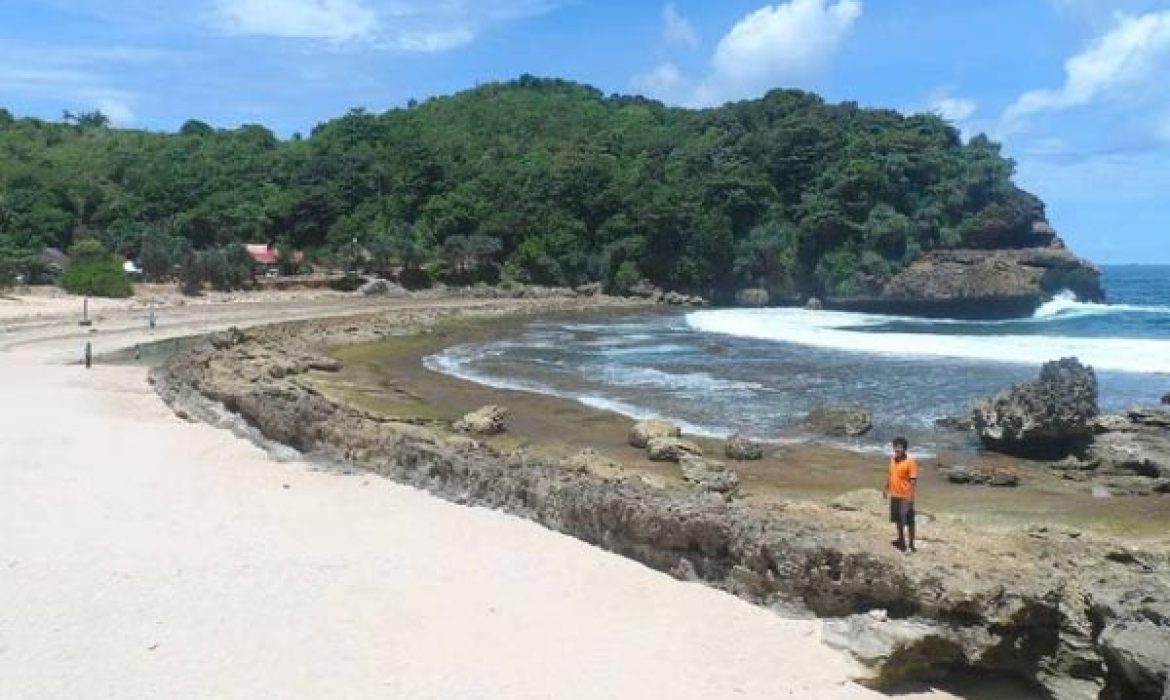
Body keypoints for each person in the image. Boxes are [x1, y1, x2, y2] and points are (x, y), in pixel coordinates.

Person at [882, 436, 918, 552]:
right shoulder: (893, 459)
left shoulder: (910, 462)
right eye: (895, 448)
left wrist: (910, 497)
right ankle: (901, 540)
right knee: (898, 520)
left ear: (904, 449)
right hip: (894, 494)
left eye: (899, 449)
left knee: (908, 521)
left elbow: (913, 481)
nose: (897, 451)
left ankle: (911, 544)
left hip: (905, 496)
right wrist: (886, 488)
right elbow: (891, 475)